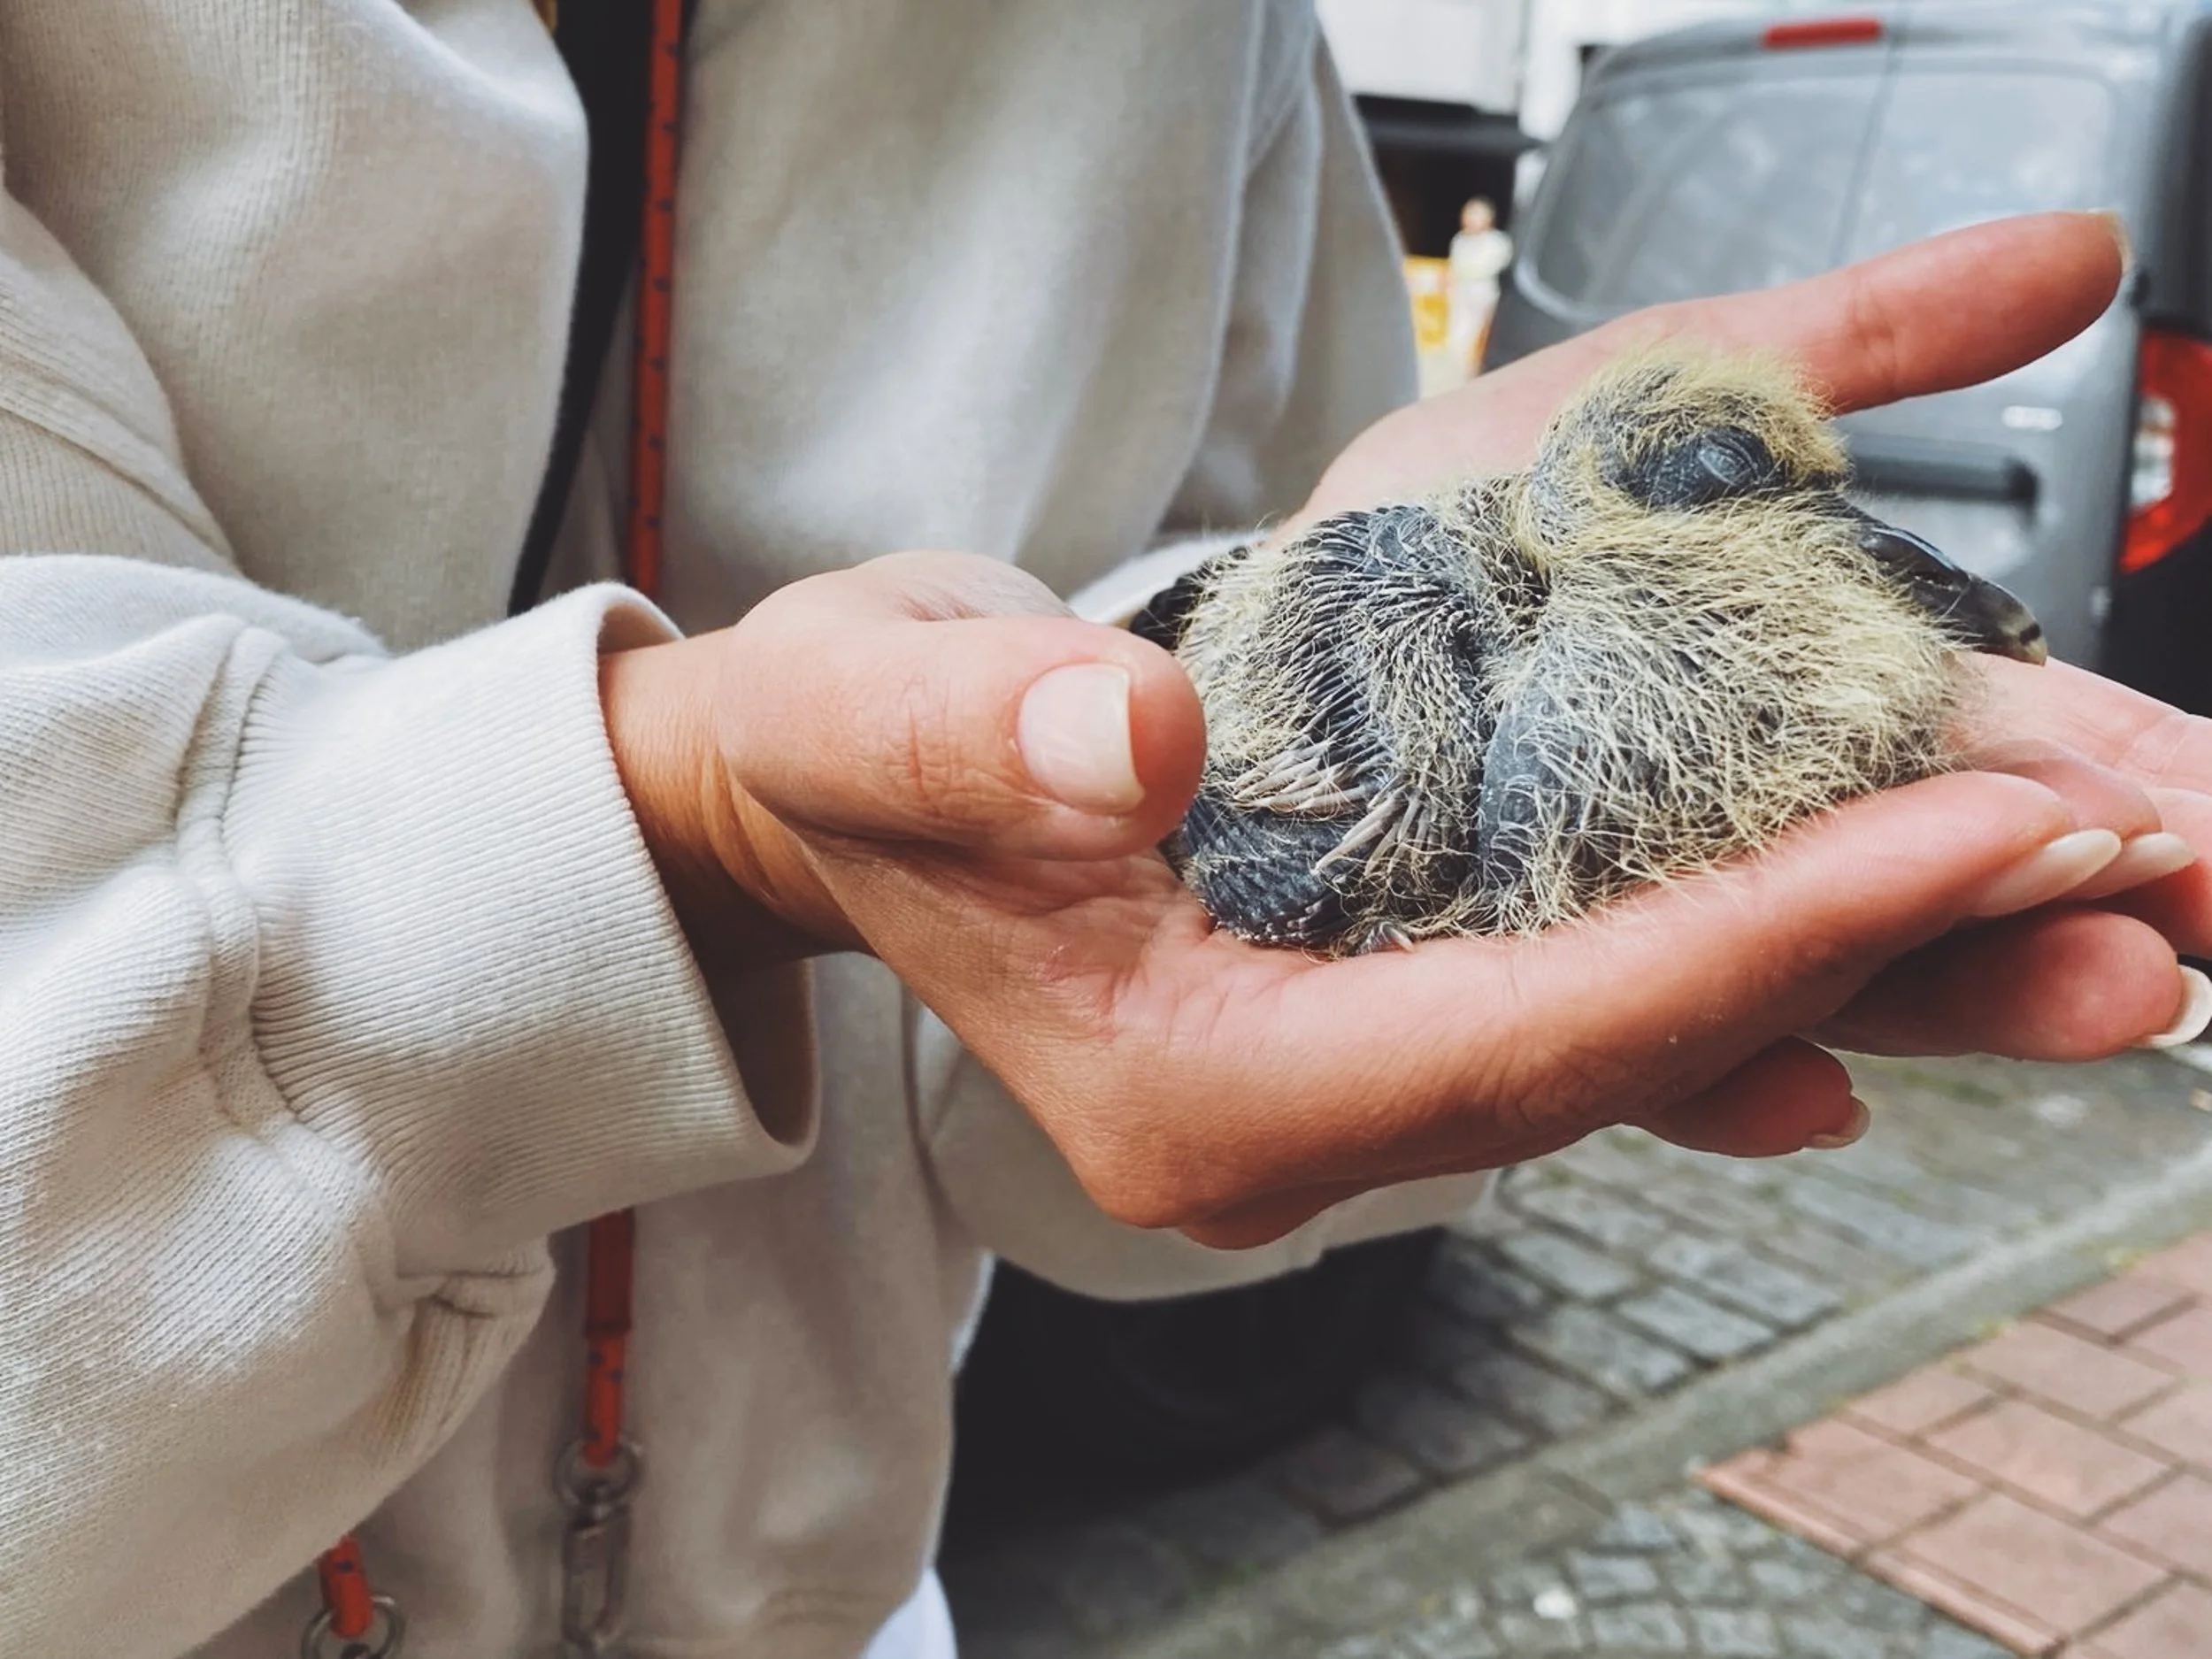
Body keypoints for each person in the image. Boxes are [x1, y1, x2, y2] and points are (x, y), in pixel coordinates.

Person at [0, 6, 2207, 1658]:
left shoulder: (1200, 38)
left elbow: (1212, 635)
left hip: (833, 1596)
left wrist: (1094, 851)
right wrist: (708, 823)